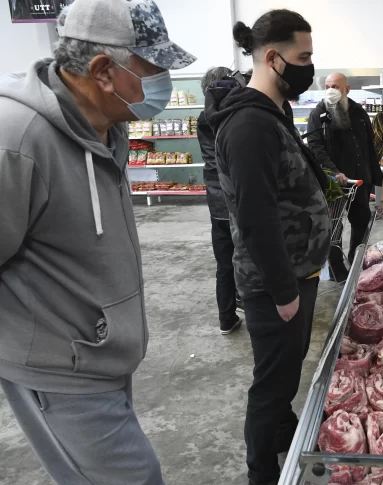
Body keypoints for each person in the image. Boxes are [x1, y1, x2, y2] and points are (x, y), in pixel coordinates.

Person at [0, 0, 195, 483]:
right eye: (154, 68)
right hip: (60, 369)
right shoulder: (15, 140)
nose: (163, 83)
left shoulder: (107, 128)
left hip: (104, 353)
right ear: (103, 71)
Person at [204, 10, 331, 485]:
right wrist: (283, 292)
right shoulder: (248, 126)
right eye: (304, 57)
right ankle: (261, 472)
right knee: (271, 384)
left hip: (297, 271)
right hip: (274, 283)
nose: (309, 66)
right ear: (273, 58)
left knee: (284, 373)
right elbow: (255, 220)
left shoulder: (272, 113)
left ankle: (285, 433)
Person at [307, 72, 383, 271]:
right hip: (335, 182)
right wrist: (334, 172)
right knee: (334, 226)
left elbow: (367, 145)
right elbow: (315, 146)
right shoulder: (319, 113)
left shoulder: (358, 111)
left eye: (336, 86)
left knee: (361, 221)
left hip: (360, 179)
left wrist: (374, 175)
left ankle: (355, 261)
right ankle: (337, 268)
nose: (331, 90)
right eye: (327, 86)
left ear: (347, 89)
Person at [197, 66, 245, 335]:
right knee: (251, 256)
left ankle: (226, 317)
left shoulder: (203, 116)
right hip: (237, 199)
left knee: (224, 263)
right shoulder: (232, 116)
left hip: (217, 201)